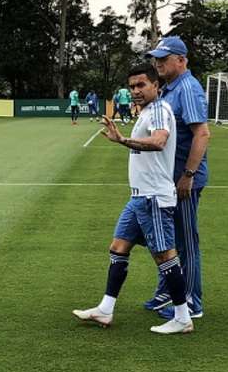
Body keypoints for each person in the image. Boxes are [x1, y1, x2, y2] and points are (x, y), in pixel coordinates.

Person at [73, 64, 193, 335]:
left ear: (155, 86)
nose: (136, 91)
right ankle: (105, 309)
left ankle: (183, 317)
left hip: (153, 197)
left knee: (165, 255)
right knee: (118, 247)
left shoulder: (160, 110)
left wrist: (123, 140)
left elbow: (159, 141)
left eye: (142, 85)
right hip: (139, 197)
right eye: (132, 86)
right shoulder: (148, 111)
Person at [143, 36, 210, 321]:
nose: (158, 62)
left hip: (183, 180)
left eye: (164, 58)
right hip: (168, 179)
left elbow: (202, 133)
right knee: (166, 238)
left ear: (181, 60)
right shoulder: (172, 88)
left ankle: (192, 302)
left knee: (185, 241)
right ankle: (169, 290)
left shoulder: (188, 88)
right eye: (156, 58)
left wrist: (188, 175)